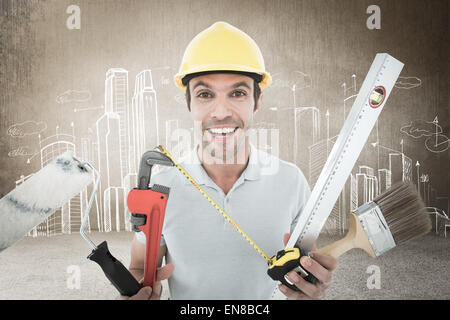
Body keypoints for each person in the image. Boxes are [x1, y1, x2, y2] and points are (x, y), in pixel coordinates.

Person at [120, 21, 338, 300]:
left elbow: (305, 269)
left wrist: (310, 285)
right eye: (205, 94)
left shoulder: (291, 181)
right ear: (189, 103)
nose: (221, 111)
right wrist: (139, 289)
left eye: (237, 93)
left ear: (256, 102)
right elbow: (140, 265)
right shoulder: (162, 187)